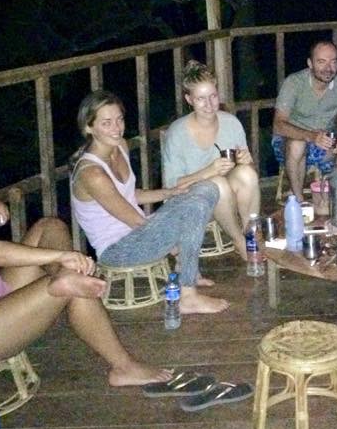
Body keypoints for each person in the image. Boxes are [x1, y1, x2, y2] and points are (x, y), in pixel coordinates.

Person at [0, 111, 171, 388]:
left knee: (50, 228)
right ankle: (122, 365)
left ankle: (70, 293)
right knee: (67, 280)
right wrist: (61, 257)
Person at [70, 90, 229, 315]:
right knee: (192, 206)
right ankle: (188, 294)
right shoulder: (92, 173)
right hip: (119, 250)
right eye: (106, 123)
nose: (116, 128)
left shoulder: (120, 146)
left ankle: (187, 271)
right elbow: (135, 220)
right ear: (89, 127)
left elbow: (130, 195)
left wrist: (170, 193)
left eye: (119, 120)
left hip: (141, 232)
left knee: (207, 188)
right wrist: (176, 243)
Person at [162, 60, 260, 259]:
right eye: (201, 98)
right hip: (189, 201)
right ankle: (239, 240)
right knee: (218, 184)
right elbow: (172, 186)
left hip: (227, 198)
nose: (209, 104)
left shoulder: (231, 123)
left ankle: (251, 233)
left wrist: (246, 162)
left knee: (247, 174)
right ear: (189, 99)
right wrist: (209, 171)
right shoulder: (177, 132)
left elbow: (249, 174)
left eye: (213, 96)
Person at [273, 40, 337, 201]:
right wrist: (311, 136)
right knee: (297, 144)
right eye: (321, 62)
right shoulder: (294, 83)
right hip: (290, 141)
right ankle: (299, 201)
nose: (328, 68)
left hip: (324, 141)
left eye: (333, 62)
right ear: (310, 63)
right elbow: (279, 125)